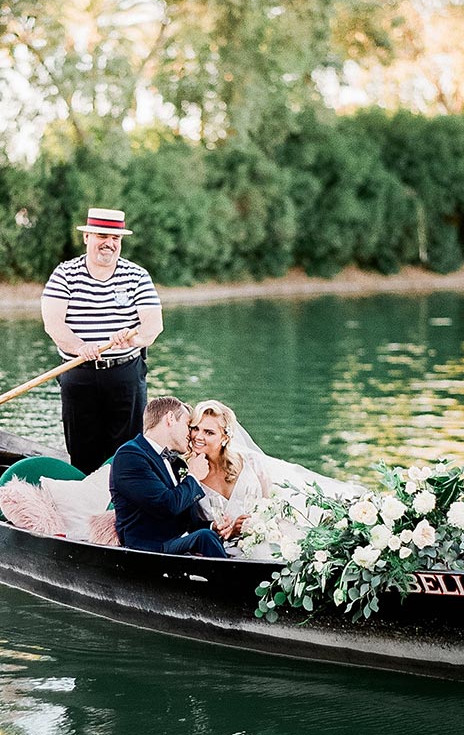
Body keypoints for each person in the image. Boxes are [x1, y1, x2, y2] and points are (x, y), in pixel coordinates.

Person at [41, 207, 163, 474]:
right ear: (87, 238)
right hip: (77, 373)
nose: (109, 243)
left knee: (129, 451)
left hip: (126, 374)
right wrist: (79, 348)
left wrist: (133, 340)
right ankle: (89, 508)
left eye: (115, 238)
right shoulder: (64, 274)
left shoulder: (137, 276)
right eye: (102, 235)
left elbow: (153, 326)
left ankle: (124, 509)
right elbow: (53, 324)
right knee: (83, 452)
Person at [188, 398, 364, 549]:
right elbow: (187, 524)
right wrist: (223, 529)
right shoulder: (186, 473)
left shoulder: (251, 463)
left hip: (259, 538)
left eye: (208, 432)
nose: (198, 436)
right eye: (195, 428)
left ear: (225, 437)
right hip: (217, 547)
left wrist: (253, 524)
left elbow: (271, 505)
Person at [110, 395, 229, 557]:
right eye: (188, 425)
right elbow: (165, 506)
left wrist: (212, 527)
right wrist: (193, 477)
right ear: (170, 418)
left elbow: (185, 521)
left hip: (175, 544)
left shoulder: (176, 464)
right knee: (204, 538)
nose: (191, 434)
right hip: (146, 549)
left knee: (209, 534)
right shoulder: (130, 455)